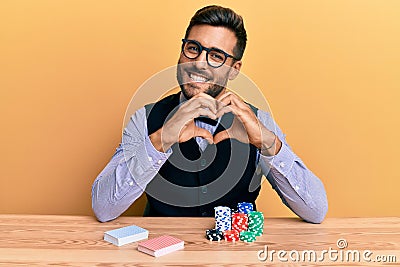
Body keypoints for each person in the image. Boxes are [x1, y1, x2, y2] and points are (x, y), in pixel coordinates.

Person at [91, 5, 328, 223]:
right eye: (193, 49)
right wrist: (161, 140)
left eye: (216, 56)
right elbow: (103, 208)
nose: (199, 63)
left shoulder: (259, 121)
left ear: (234, 70)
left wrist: (266, 142)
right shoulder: (144, 118)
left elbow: (316, 211)